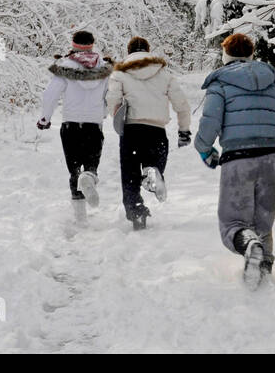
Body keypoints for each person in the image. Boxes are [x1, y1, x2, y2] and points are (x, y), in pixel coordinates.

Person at [195, 32, 275, 288]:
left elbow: (209, 125)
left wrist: (205, 151)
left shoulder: (220, 84)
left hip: (238, 160)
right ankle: (262, 278)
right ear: (252, 54)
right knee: (263, 222)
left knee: (233, 223)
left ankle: (249, 246)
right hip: (271, 159)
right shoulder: (271, 84)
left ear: (225, 56)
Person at [106, 36, 193, 231]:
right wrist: (184, 130)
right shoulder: (164, 74)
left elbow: (112, 98)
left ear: (129, 52)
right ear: (148, 50)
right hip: (156, 131)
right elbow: (181, 104)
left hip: (131, 130)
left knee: (129, 174)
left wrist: (116, 115)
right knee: (155, 163)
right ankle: (153, 170)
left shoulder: (119, 73)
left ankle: (136, 211)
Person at [37, 30, 113, 219]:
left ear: (73, 45)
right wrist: (102, 114)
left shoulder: (65, 66)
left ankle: (80, 216)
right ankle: (89, 175)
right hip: (94, 124)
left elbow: (51, 94)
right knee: (90, 165)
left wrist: (45, 118)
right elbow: (107, 96)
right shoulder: (104, 68)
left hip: (70, 124)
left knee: (74, 169)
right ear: (92, 45)